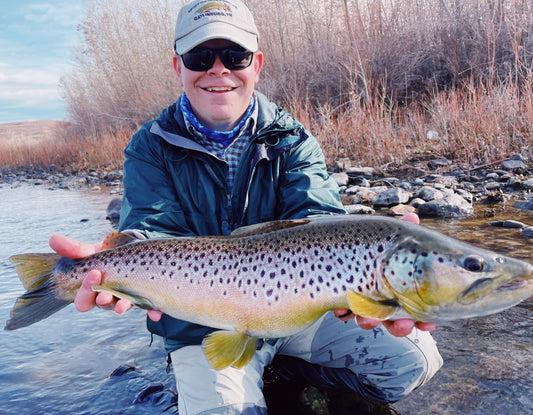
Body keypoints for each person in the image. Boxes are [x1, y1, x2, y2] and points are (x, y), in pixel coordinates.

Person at [49, 0, 443, 413]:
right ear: (178, 66)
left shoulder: (292, 139)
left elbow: (320, 220)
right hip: (199, 323)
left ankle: (286, 373)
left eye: (234, 55)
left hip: (300, 312)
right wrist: (114, 266)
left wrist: (374, 252)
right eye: (200, 55)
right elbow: (151, 228)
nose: (218, 69)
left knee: (414, 362)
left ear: (256, 64)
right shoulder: (150, 146)